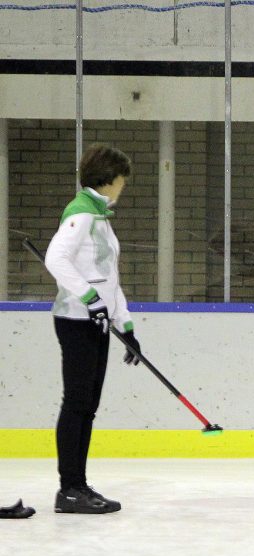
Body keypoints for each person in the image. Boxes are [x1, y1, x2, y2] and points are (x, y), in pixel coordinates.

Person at [44, 144, 141, 514]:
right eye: (122, 181)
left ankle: (79, 485)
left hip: (96, 321)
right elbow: (56, 258)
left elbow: (107, 278)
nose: (123, 187)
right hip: (75, 322)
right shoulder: (81, 214)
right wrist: (88, 299)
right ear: (109, 179)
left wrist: (125, 324)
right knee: (77, 404)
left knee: (88, 406)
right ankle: (68, 489)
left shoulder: (100, 218)